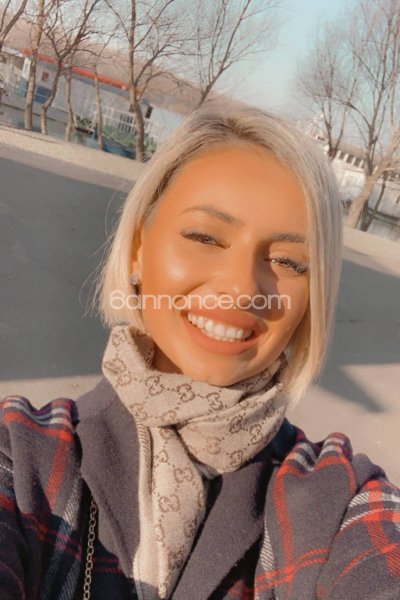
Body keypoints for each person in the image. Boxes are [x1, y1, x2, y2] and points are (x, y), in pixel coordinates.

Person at [0, 101, 399, 600]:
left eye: (288, 262)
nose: (242, 289)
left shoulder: (336, 500)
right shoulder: (25, 458)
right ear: (139, 249)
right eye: (205, 237)